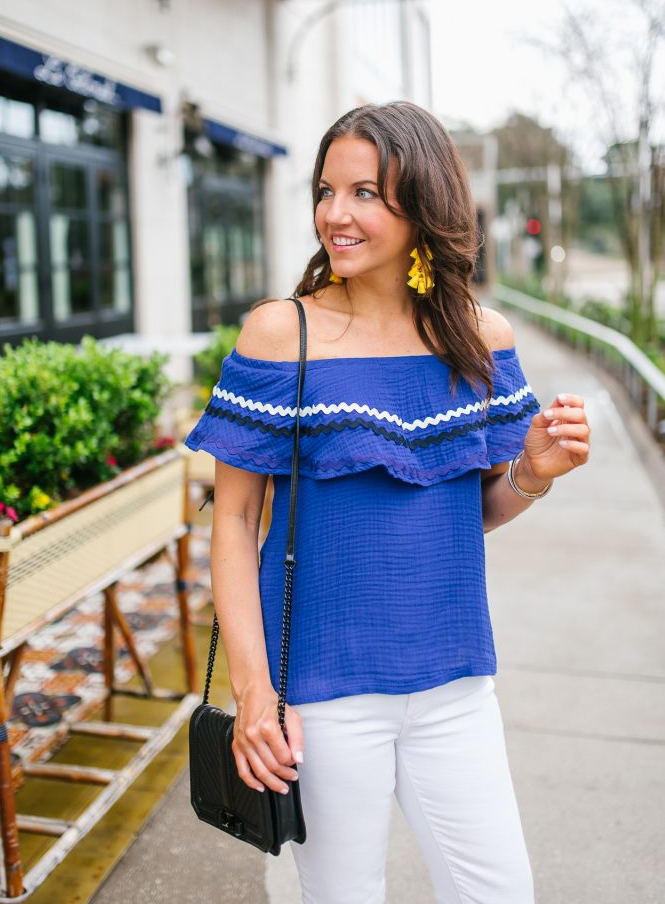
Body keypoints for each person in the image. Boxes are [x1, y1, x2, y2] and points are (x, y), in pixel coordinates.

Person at [184, 101, 591, 904]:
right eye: (327, 190)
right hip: (323, 699)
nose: (336, 213)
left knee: (500, 891)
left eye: (366, 192)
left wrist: (533, 473)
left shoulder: (483, 340)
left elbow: (467, 515)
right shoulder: (280, 335)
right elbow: (233, 523)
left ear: (425, 207)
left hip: (456, 687)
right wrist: (254, 696)